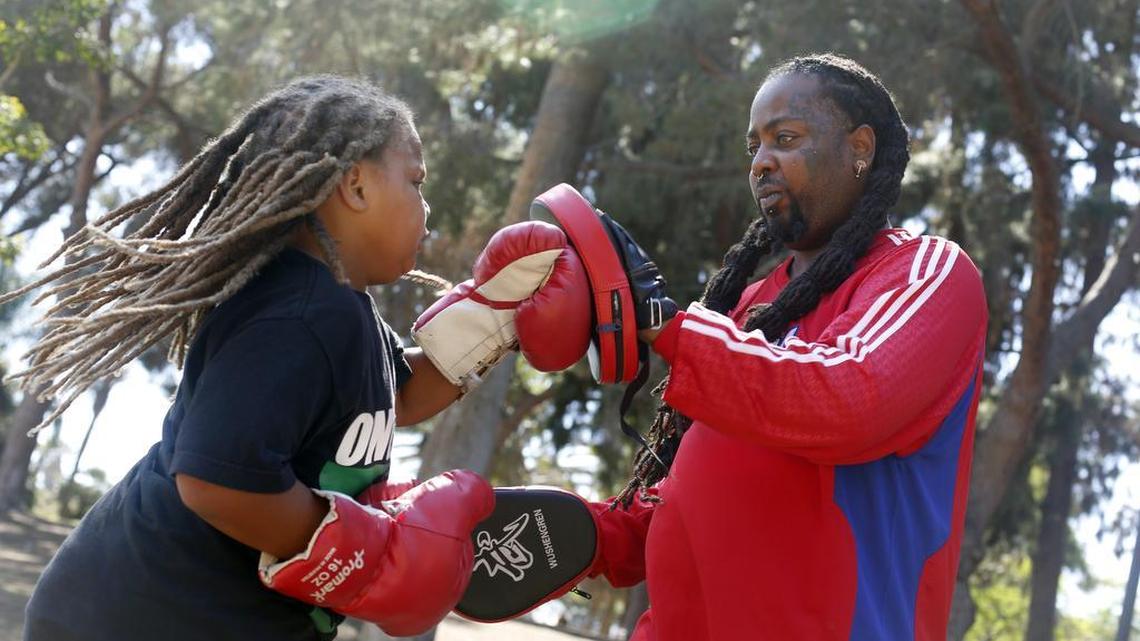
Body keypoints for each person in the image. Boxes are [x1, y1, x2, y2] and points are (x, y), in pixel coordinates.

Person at [9, 75, 585, 641]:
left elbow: (398, 395)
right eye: (416, 181)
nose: (427, 208)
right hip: (133, 617)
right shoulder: (301, 313)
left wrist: (498, 317)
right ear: (355, 186)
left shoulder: (344, 313)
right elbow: (215, 480)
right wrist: (368, 557)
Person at [580, 53, 988, 640]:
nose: (762, 162)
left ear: (861, 148)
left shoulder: (927, 272)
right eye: (754, 147)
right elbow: (693, 499)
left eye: (786, 138)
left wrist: (662, 323)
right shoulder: (745, 307)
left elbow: (848, 397)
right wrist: (582, 535)